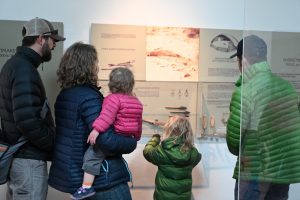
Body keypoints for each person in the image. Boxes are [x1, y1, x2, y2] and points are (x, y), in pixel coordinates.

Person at [48, 42, 137, 200]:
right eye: (95, 62)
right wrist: (130, 141)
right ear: (88, 66)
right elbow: (105, 139)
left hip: (77, 177)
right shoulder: (89, 97)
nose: (97, 67)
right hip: (103, 180)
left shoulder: (65, 95)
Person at [226, 35, 300, 200]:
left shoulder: (245, 91)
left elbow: (233, 142)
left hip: (254, 172)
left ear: (243, 59)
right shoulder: (287, 87)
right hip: (281, 174)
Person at [0, 17, 65, 200]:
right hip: (28, 162)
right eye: (53, 40)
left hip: (20, 158)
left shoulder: (16, 65)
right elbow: (27, 121)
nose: (54, 45)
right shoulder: (24, 70)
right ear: (40, 39)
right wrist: (52, 144)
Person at [71, 67, 143, 199]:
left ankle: (86, 187)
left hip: (116, 136)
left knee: (91, 156)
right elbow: (139, 122)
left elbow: (106, 117)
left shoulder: (112, 99)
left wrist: (96, 130)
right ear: (131, 84)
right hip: (127, 139)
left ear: (112, 83)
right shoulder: (137, 101)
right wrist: (136, 137)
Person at [143, 115, 201, 200]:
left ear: (168, 131)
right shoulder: (193, 153)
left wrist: (155, 139)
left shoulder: (161, 152)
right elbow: (197, 157)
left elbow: (147, 152)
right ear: (188, 132)